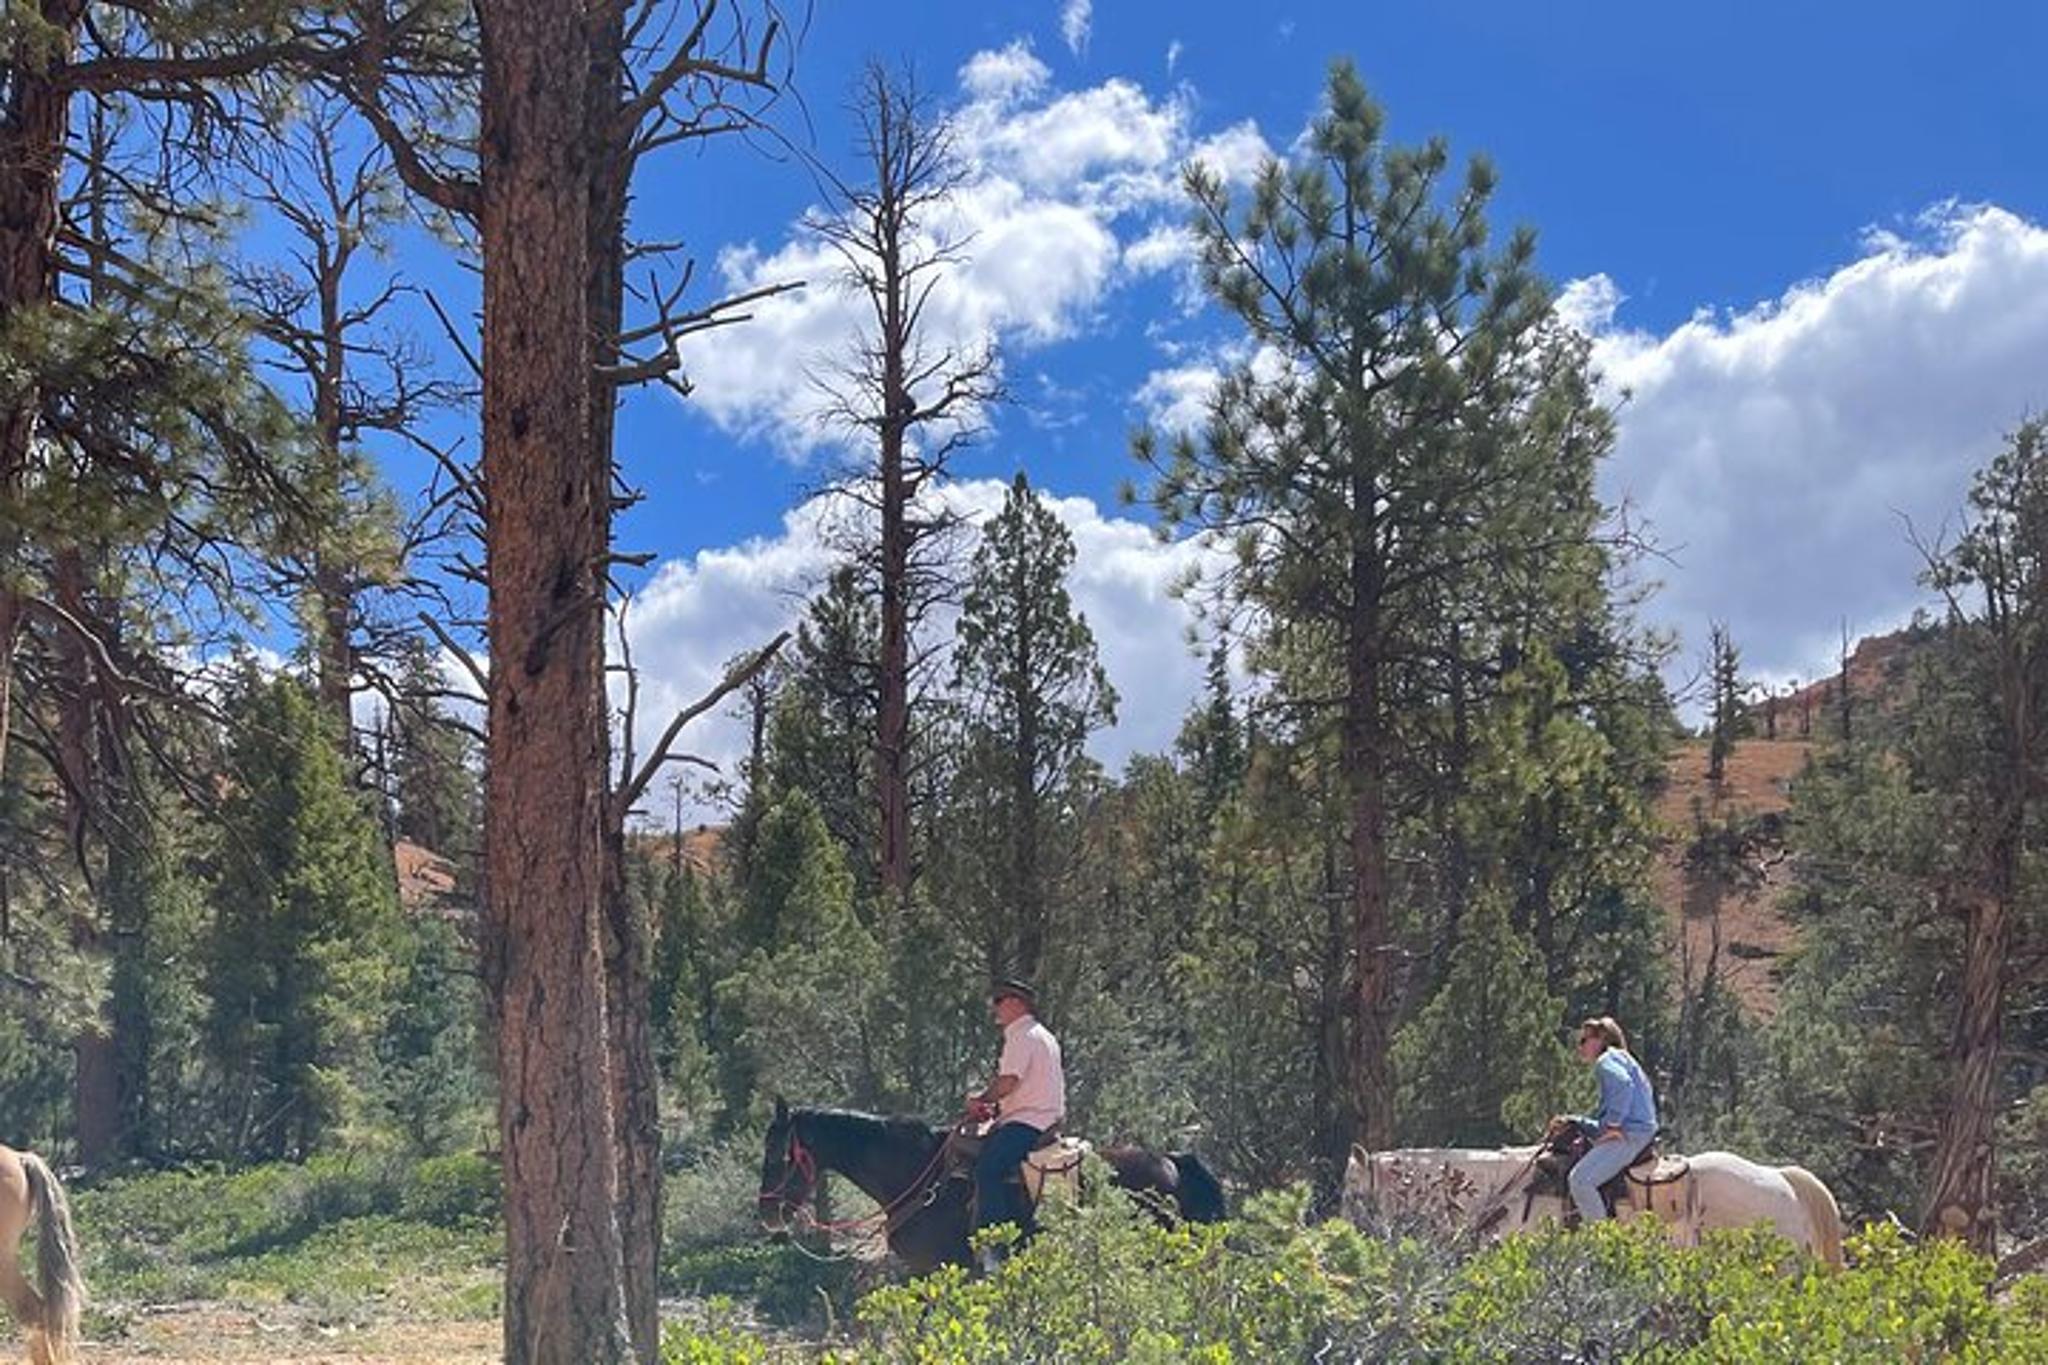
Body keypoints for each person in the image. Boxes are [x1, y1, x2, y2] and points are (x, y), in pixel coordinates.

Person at [965, 978, 1065, 1266]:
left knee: (987, 1170)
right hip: (1041, 1117)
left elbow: (1009, 1081)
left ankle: (995, 1250)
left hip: (1028, 1121)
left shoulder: (1021, 1036)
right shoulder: (1043, 1035)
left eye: (1000, 1001)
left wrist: (981, 1100)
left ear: (1017, 1003)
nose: (995, 1008)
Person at [1563, 1015, 1658, 1226]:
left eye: (1583, 1041)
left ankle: (1602, 1243)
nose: (1580, 1048)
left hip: (1631, 1133)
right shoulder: (1623, 1058)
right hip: (1641, 1130)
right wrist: (1577, 1121)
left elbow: (1623, 1085)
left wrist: (1614, 1124)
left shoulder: (1605, 1062)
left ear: (1599, 1040)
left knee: (1580, 1181)